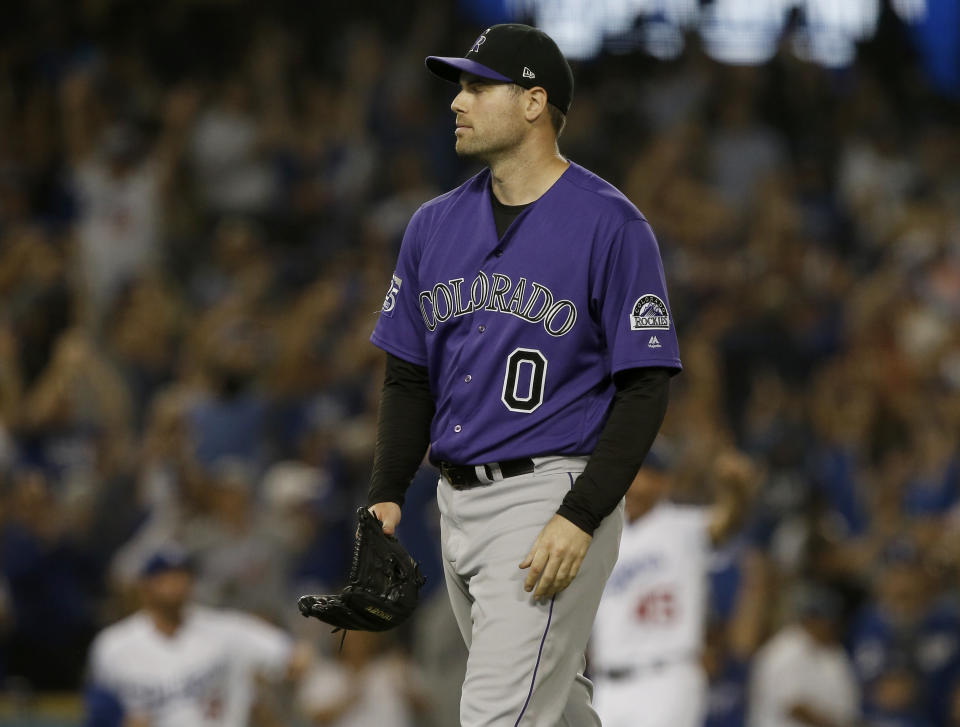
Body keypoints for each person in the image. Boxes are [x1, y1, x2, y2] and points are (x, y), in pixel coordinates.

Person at [364, 23, 681, 726]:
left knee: (497, 715)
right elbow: (408, 375)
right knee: (553, 706)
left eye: (479, 86)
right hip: (456, 504)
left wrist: (581, 512)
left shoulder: (611, 224)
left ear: (535, 102)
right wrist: (387, 491)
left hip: (548, 496)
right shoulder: (432, 225)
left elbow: (646, 384)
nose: (458, 101)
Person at [589, 448, 758, 727]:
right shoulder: (602, 534)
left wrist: (735, 489)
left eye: (642, 474)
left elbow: (727, 521)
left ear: (661, 481)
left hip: (667, 677)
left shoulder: (682, 527)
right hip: (607, 683)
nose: (632, 482)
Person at [85, 546, 308, 727]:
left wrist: (283, 673)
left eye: (182, 577)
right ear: (146, 587)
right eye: (166, 578)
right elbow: (99, 710)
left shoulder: (227, 631)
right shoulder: (112, 644)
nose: (176, 586)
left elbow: (295, 654)